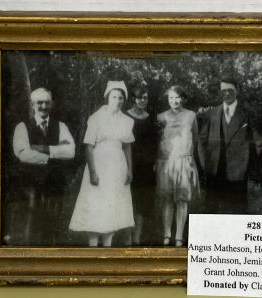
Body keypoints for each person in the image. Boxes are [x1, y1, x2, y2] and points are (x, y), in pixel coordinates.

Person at [69, 81, 135, 247]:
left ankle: (108, 245)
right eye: (114, 97)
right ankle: (93, 246)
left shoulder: (127, 121)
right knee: (96, 204)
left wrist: (129, 169)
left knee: (113, 205)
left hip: (117, 168)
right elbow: (89, 146)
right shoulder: (96, 118)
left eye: (121, 98)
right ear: (107, 97)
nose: (117, 101)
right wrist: (92, 171)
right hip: (99, 165)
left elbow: (127, 146)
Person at [12, 87, 75, 245]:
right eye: (40, 103)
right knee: (32, 221)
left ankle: (52, 261)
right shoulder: (22, 127)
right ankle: (28, 258)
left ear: (51, 104)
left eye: (47, 102)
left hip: (55, 183)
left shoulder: (60, 126)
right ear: (33, 105)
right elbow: (23, 154)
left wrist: (42, 148)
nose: (44, 106)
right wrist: (52, 155)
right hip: (31, 183)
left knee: (53, 223)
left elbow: (70, 151)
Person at [198, 80, 262, 214]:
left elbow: (258, 142)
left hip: (238, 173)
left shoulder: (247, 113)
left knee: (238, 211)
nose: (227, 94)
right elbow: (202, 140)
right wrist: (205, 164)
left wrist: (250, 168)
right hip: (214, 172)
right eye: (223, 91)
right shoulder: (213, 113)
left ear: (236, 90)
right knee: (211, 211)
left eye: (230, 90)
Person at [156, 85, 200, 247]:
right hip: (166, 162)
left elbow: (195, 137)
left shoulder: (190, 115)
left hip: (184, 161)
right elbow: (158, 141)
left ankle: (179, 235)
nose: (174, 101)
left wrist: (189, 157)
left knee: (182, 199)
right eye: (171, 98)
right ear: (168, 99)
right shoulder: (161, 117)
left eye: (177, 97)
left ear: (183, 98)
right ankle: (167, 234)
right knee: (167, 198)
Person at [126, 86, 156, 245]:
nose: (143, 101)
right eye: (139, 98)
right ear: (133, 99)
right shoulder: (126, 116)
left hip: (146, 166)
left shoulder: (150, 118)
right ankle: (128, 237)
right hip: (129, 162)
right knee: (129, 200)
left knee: (143, 201)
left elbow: (154, 143)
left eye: (145, 98)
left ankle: (137, 236)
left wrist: (154, 161)